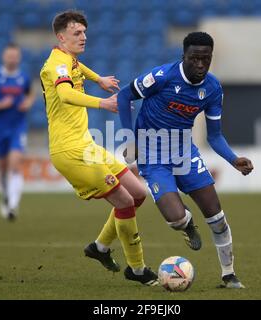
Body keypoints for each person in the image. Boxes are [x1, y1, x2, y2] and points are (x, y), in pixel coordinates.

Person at [117, 32, 254, 289]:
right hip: (152, 156)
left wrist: (233, 160)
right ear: (184, 57)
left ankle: (229, 274)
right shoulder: (163, 76)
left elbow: (214, 136)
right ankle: (187, 225)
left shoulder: (212, 89)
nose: (200, 64)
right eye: (194, 58)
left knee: (217, 216)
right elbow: (125, 96)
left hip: (184, 153)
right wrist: (130, 140)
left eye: (206, 59)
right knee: (176, 218)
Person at [39, 10, 158, 286]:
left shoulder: (69, 59)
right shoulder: (56, 64)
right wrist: (103, 102)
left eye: (84, 32)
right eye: (76, 33)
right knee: (125, 202)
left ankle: (99, 248)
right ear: (61, 37)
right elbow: (66, 94)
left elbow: (78, 68)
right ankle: (137, 269)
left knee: (139, 193)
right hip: (70, 152)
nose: (84, 37)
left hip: (86, 145)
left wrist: (99, 79)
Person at [0, 43, 35, 221]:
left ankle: (12, 206)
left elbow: (31, 93)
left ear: (19, 58)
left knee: (15, 163)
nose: (12, 59)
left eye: (15, 56)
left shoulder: (23, 77)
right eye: (9, 56)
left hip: (18, 127)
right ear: (4, 57)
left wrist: (28, 102)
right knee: (2, 167)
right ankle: (6, 196)